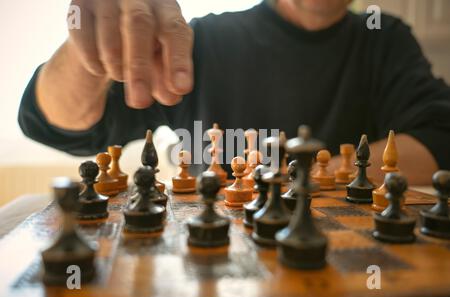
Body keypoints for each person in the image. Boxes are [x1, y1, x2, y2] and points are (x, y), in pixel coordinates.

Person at [18, 0, 450, 184]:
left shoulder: (384, 39)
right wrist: (89, 55)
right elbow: (61, 128)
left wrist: (300, 183)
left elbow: (440, 137)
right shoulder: (202, 41)